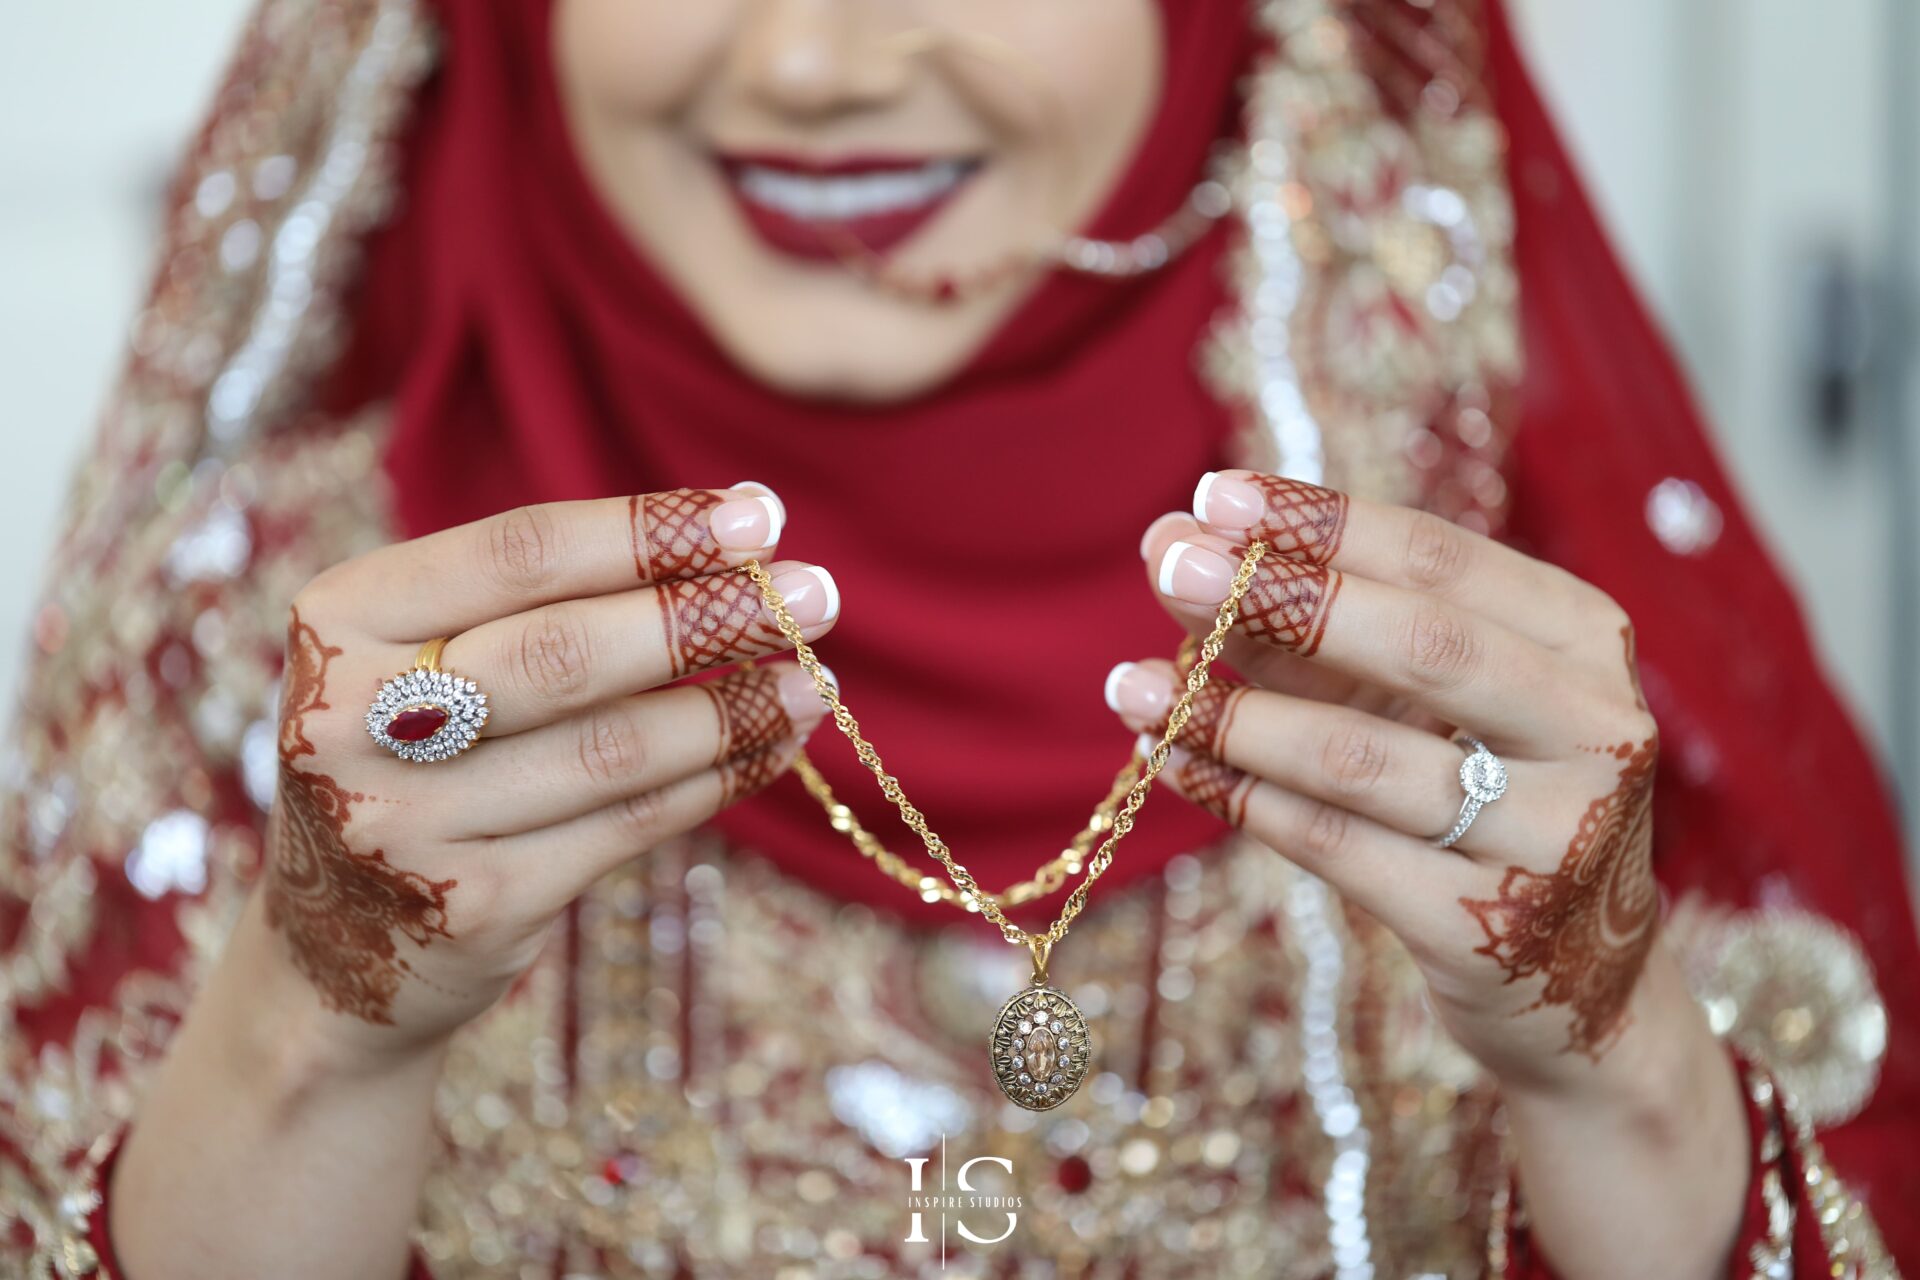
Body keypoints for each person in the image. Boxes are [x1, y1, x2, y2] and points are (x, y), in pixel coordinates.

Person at [2, 1, 1913, 1275]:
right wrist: (304, 1047)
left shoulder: (1516, 671)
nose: (817, 63)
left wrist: (1624, 1081)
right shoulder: (295, 669)